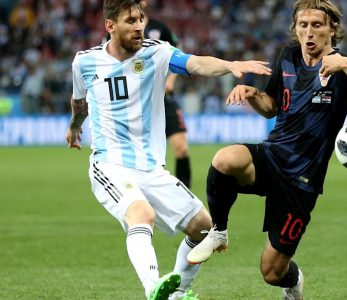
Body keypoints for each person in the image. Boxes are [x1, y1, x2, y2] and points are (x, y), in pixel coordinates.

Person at [65, 1, 271, 300]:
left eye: (141, 19)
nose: (139, 26)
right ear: (110, 26)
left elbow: (196, 63)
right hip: (110, 163)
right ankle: (153, 289)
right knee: (141, 214)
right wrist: (74, 126)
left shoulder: (157, 52)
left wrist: (229, 66)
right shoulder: (84, 62)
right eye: (130, 21)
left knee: (204, 229)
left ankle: (178, 293)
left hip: (151, 167)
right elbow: (78, 101)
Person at [187, 0, 347, 299]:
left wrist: (346, 64)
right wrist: (252, 93)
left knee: (271, 272)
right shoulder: (288, 56)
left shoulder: (346, 64)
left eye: (317, 25)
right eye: (303, 25)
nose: (309, 32)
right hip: (273, 155)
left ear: (332, 29)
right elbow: (271, 107)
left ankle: (293, 284)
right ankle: (218, 231)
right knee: (225, 158)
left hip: (303, 180)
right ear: (295, 28)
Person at [144, 10, 192, 188]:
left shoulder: (159, 28)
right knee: (149, 156)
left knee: (181, 147)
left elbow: (178, 54)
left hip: (165, 99)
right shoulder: (122, 29)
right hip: (141, 103)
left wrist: (170, 80)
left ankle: (185, 194)